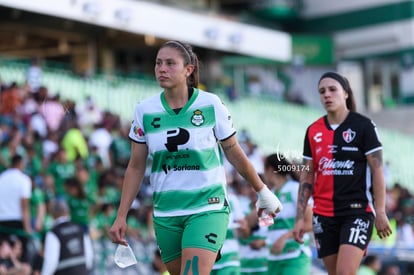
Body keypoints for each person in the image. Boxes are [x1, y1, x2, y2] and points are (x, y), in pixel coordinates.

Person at [109, 40, 283, 275]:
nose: (161, 68)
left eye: (170, 63)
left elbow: (233, 151)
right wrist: (121, 215)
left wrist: (262, 191)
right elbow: (136, 166)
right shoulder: (144, 111)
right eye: (158, 63)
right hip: (166, 213)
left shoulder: (210, 104)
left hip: (207, 208)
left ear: (188, 70)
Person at [293, 72, 392, 275]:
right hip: (323, 216)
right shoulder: (313, 131)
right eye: (322, 91)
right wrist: (300, 217)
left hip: (356, 212)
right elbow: (306, 177)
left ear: (345, 93)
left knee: (345, 273)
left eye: (332, 89)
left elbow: (377, 170)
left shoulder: (364, 126)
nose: (327, 95)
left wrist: (380, 211)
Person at [263, 154, 313, 275]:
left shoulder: (295, 189)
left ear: (270, 169)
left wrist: (285, 237)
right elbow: (267, 226)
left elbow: (311, 222)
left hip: (295, 256)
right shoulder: (270, 195)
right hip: (273, 259)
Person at [41, 199, 93, 275]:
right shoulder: (80, 228)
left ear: (53, 214)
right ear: (68, 212)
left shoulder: (53, 232)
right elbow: (89, 255)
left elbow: (51, 261)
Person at [0, 154, 32, 264]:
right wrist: (27, 228)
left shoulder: (1, 177)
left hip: (2, 221)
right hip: (17, 222)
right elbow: (25, 205)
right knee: (21, 259)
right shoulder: (24, 179)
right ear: (20, 164)